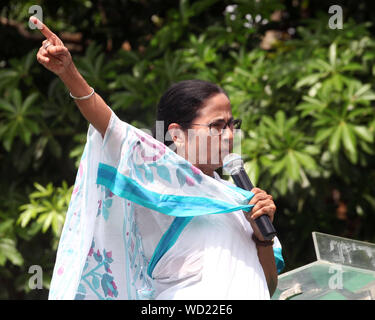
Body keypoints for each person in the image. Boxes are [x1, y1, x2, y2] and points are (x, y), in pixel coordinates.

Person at [31, 16, 284, 300]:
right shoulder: (161, 181)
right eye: (217, 126)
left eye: (232, 126)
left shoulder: (240, 201)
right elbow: (112, 127)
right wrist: (69, 73)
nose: (229, 136)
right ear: (176, 134)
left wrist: (262, 239)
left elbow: (268, 287)